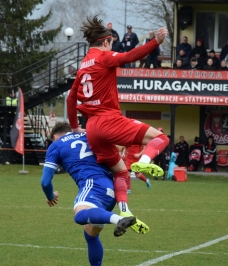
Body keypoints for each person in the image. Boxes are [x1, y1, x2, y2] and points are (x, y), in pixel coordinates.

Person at [67, 16, 169, 218]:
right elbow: (129, 56)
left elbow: (71, 98)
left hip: (93, 129)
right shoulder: (103, 57)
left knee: (121, 172)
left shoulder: (83, 65)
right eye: (111, 43)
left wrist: (74, 127)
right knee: (162, 138)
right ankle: (146, 161)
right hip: (109, 120)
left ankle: (124, 211)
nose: (111, 46)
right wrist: (155, 42)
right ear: (105, 42)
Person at [40, 122, 149, 265]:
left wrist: (50, 196)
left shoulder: (56, 145)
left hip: (93, 184)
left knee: (79, 215)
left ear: (55, 136)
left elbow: (45, 181)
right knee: (90, 234)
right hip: (111, 189)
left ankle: (119, 220)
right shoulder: (90, 134)